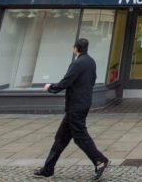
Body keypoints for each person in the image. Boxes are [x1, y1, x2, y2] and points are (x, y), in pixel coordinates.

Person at [34, 38, 109, 179]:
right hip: (82, 103)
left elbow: (66, 81)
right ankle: (48, 169)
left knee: (80, 137)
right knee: (60, 139)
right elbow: (93, 80)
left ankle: (100, 160)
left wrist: (50, 87)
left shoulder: (77, 63)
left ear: (76, 48)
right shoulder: (91, 62)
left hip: (75, 106)